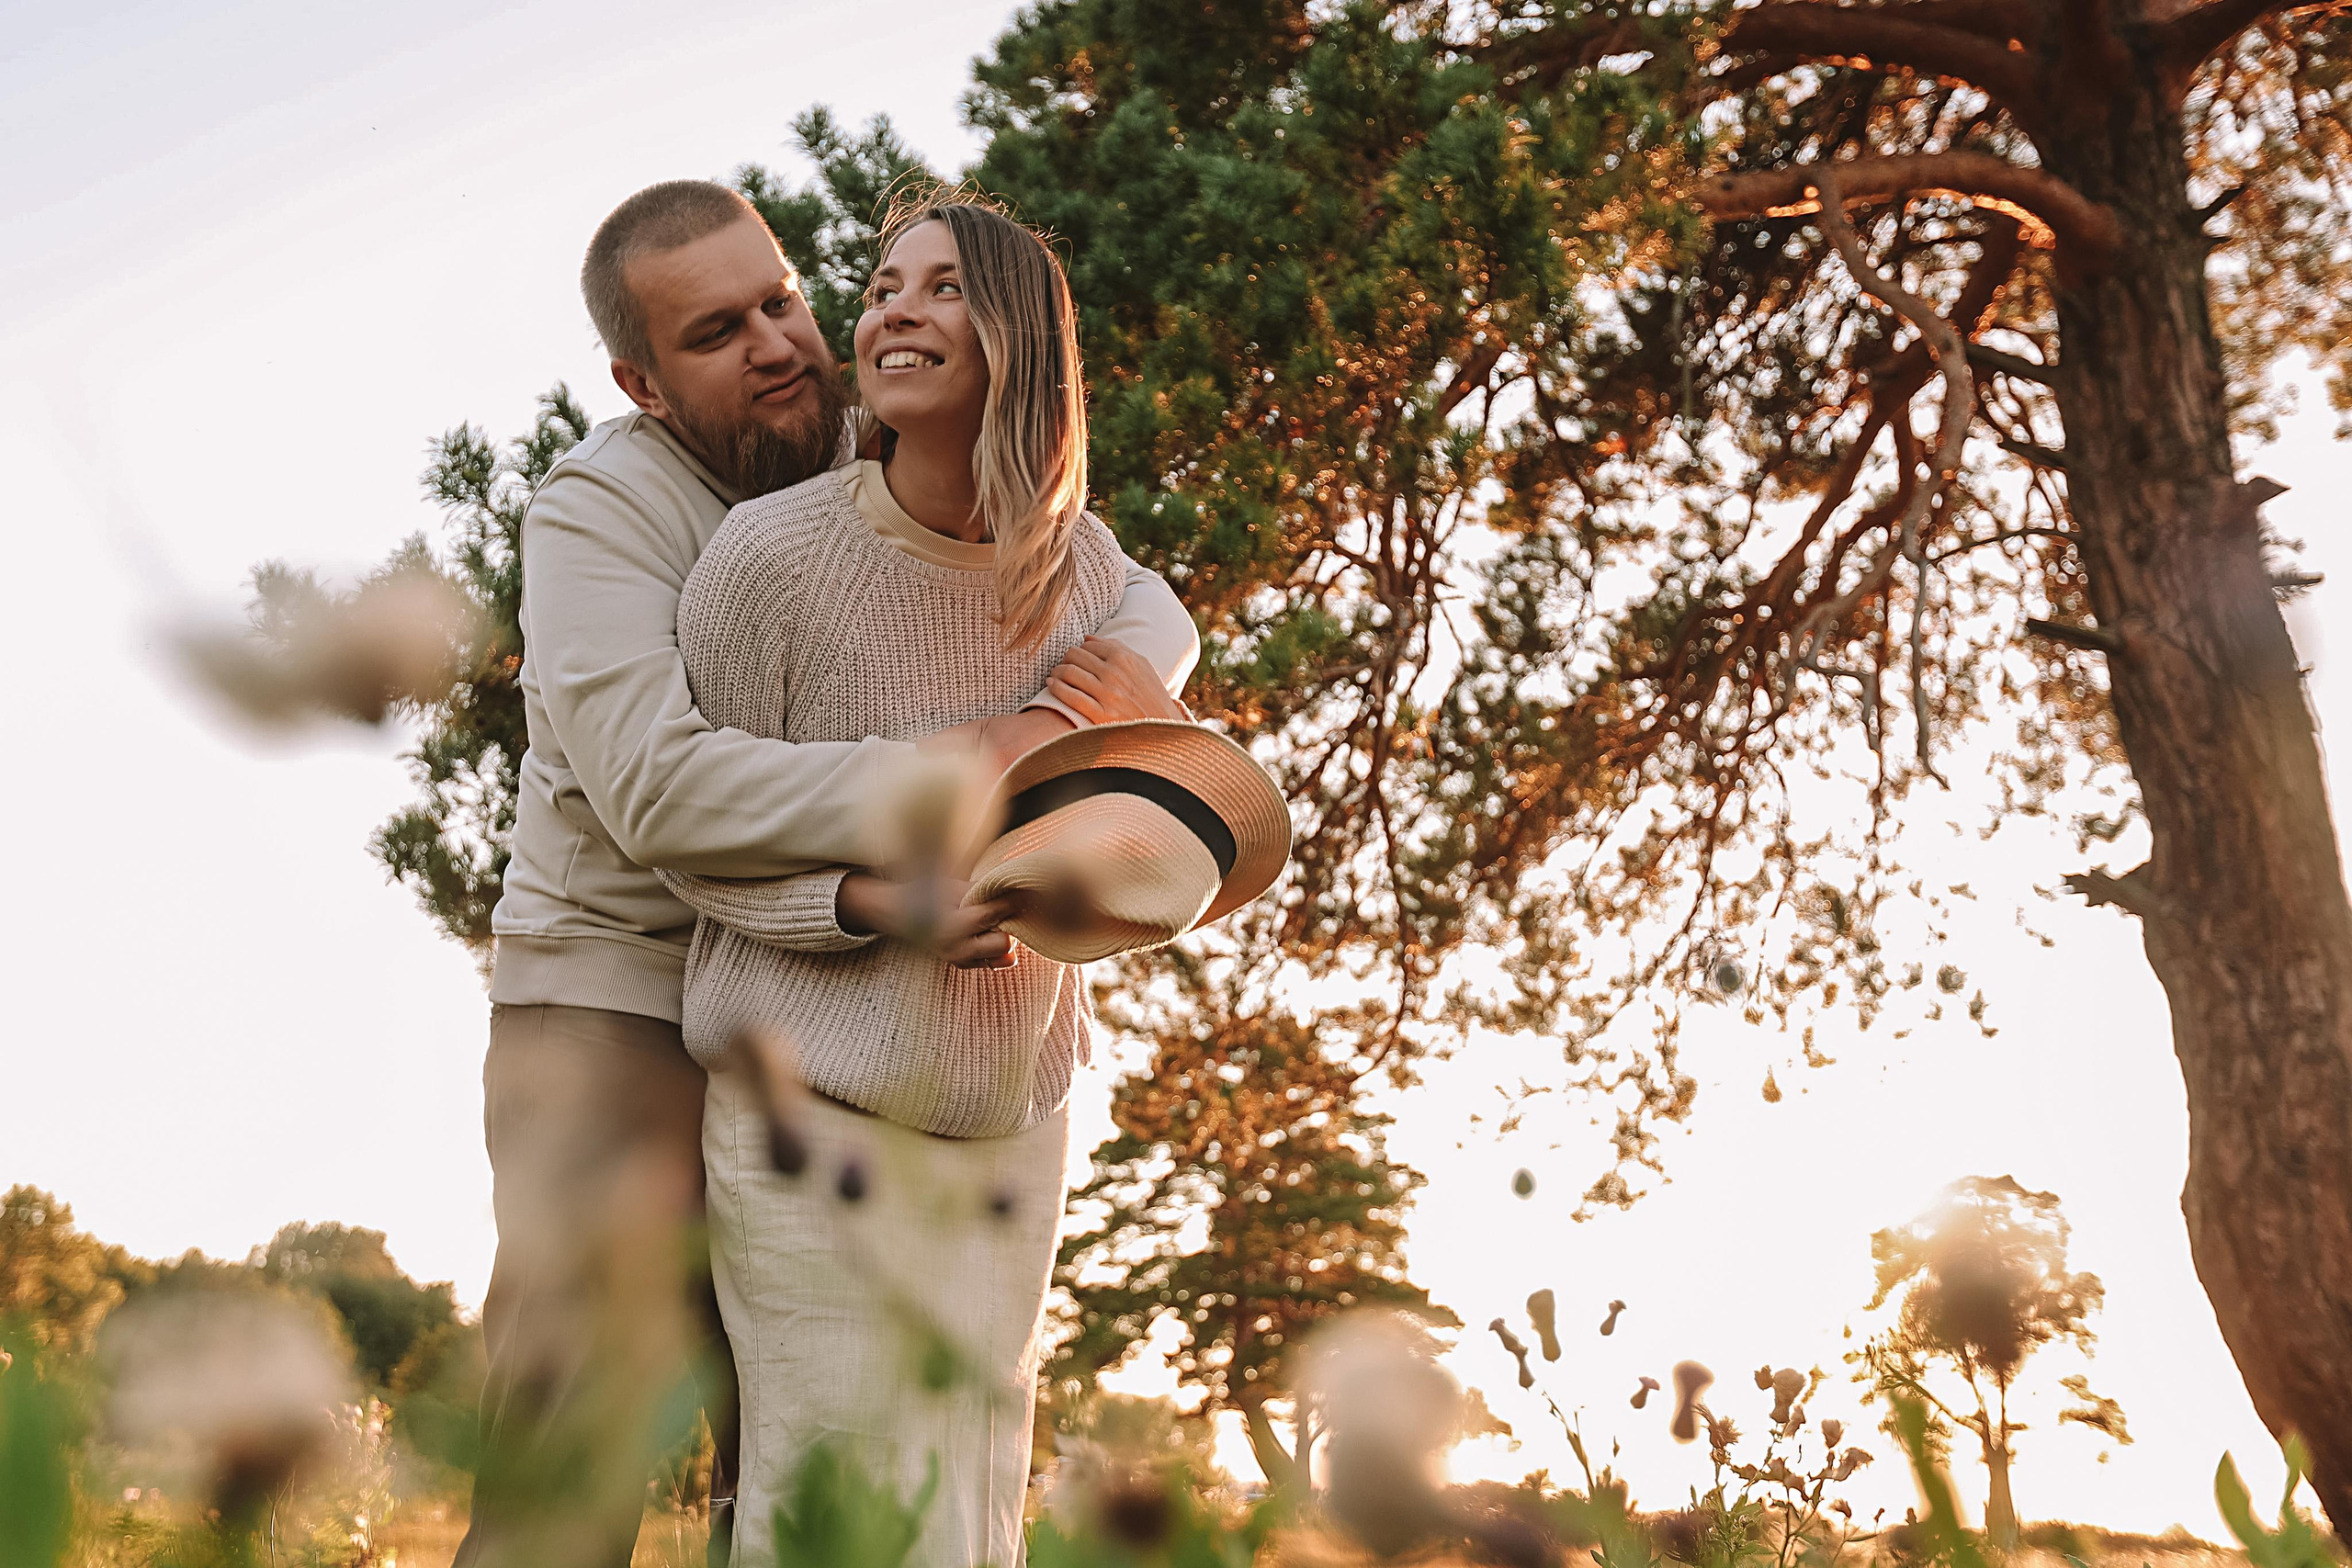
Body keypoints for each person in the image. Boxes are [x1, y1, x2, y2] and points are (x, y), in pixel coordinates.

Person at [456, 180, 1194, 1568]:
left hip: (812, 993)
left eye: (786, 300)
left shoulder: (848, 443)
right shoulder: (601, 510)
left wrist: (1107, 694)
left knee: (804, 1461)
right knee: (578, 1447)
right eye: (719, 332)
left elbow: (1122, 585)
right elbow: (662, 788)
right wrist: (951, 771)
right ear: (644, 381)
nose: (781, 346)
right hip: (613, 996)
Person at [655, 192, 1283, 1568]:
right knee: (828, 1514)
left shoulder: (1086, 573)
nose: (890, 311)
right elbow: (694, 847)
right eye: (881, 287)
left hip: (1011, 1122)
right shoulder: (767, 565)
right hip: (809, 1107)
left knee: (968, 1515)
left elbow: (1136, 773)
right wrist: (879, 907)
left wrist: (1073, 809)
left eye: (938, 288)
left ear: (1016, 339)